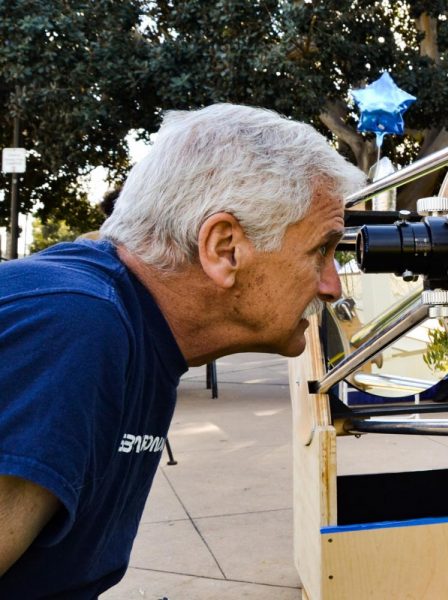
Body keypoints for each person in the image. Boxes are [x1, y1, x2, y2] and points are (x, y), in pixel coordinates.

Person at [0, 103, 364, 596]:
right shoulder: (78, 326)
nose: (332, 286)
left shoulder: (139, 330)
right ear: (224, 248)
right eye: (322, 250)